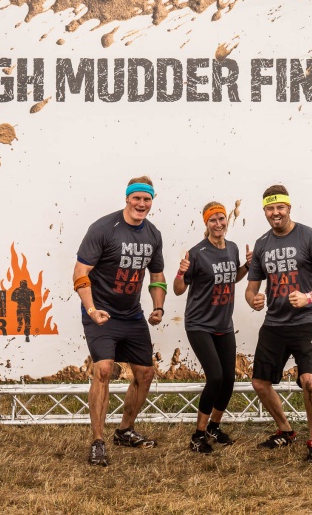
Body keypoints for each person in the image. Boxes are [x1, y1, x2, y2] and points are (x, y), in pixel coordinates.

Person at [73, 176, 167, 467]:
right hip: (101, 313)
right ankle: (98, 441)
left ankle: (125, 431)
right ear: (127, 198)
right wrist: (91, 310)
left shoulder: (153, 234)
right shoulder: (104, 228)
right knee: (103, 370)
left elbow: (157, 276)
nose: (141, 203)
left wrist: (159, 307)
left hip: (132, 314)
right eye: (136, 198)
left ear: (152, 201)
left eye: (147, 199)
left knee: (145, 374)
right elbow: (80, 273)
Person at [245, 184, 312, 463]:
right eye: (270, 208)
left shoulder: (309, 237)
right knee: (259, 383)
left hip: (308, 320)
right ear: (264, 211)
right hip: (275, 322)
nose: (275, 213)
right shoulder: (262, 244)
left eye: (280, 207)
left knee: (308, 381)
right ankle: (286, 431)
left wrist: (309, 297)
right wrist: (253, 300)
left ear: (288, 207)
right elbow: (251, 289)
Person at [173, 202, 252, 454]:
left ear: (226, 220)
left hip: (223, 324)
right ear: (206, 224)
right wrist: (180, 273)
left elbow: (232, 276)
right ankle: (198, 435)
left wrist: (247, 266)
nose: (218, 224)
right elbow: (178, 290)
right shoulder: (197, 253)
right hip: (199, 324)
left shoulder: (233, 248)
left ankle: (214, 428)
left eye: (221, 218)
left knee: (228, 379)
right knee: (215, 377)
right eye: (212, 220)